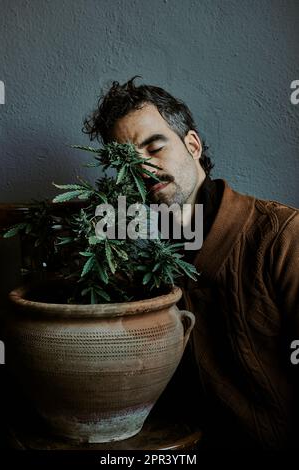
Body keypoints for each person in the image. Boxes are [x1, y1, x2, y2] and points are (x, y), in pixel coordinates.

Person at [83, 76, 299, 449]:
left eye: (155, 147)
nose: (145, 169)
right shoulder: (130, 249)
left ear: (192, 145)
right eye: (128, 161)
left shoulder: (281, 235)